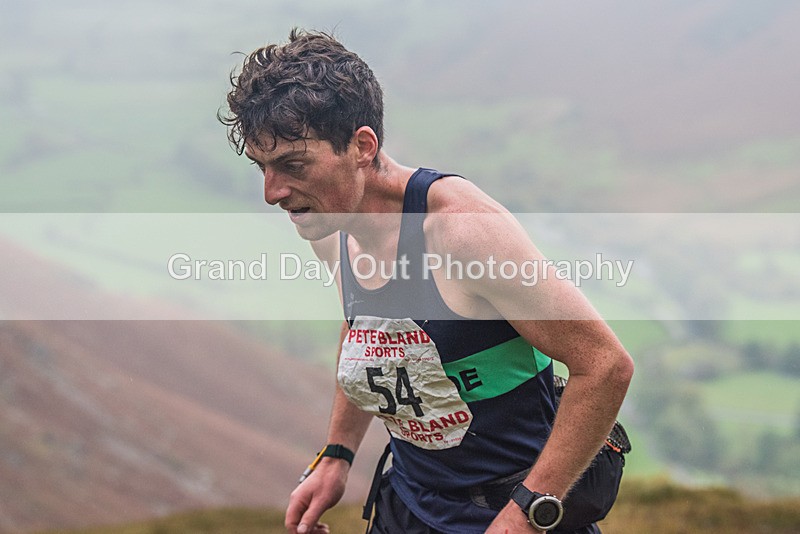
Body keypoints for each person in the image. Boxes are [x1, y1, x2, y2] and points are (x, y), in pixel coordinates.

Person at [221, 28, 634, 534]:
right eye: (261, 167)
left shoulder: (462, 230)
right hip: (408, 506)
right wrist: (337, 453)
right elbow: (369, 338)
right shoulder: (330, 225)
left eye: (292, 165)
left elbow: (606, 365)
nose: (272, 192)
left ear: (362, 146)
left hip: (509, 511)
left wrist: (525, 515)